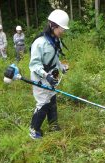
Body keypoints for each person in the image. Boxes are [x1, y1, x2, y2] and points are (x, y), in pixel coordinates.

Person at [29, 9, 70, 139]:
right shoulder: (39, 43)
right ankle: (34, 130)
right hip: (40, 76)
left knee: (52, 99)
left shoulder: (56, 40)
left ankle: (53, 125)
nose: (64, 31)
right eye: (62, 28)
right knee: (43, 103)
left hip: (52, 75)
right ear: (53, 26)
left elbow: (55, 58)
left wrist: (62, 67)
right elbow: (34, 64)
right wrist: (46, 76)